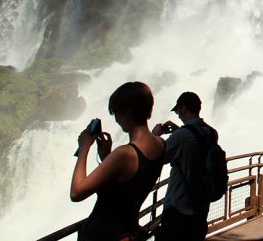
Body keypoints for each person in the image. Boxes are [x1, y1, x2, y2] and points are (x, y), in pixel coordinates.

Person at [71, 81, 165, 241]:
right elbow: (127, 185)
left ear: (127, 113)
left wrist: (84, 148)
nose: (116, 120)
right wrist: (107, 156)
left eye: (116, 113)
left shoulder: (125, 154)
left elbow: (77, 192)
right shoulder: (161, 144)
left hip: (107, 234)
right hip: (129, 231)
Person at [151, 91, 219, 241]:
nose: (178, 114)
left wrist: (154, 137)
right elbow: (196, 145)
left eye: (177, 110)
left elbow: (155, 157)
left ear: (183, 109)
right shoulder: (211, 133)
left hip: (179, 209)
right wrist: (179, 131)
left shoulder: (181, 136)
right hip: (201, 208)